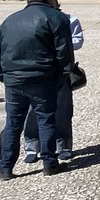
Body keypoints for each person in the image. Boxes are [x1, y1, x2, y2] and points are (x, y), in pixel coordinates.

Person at [0, 0, 75, 180]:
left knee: (13, 123)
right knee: (46, 119)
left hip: (14, 80)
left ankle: (5, 168)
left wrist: (4, 77)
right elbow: (64, 54)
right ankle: (49, 163)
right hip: (42, 78)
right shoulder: (57, 18)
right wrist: (60, 78)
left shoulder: (10, 20)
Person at [24, 10, 83, 163]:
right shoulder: (29, 19)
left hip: (60, 72)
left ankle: (63, 146)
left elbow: (78, 41)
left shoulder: (69, 19)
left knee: (62, 109)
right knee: (32, 111)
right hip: (36, 71)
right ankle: (31, 147)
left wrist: (61, 42)